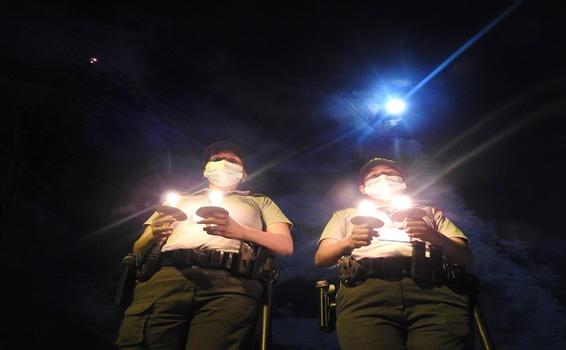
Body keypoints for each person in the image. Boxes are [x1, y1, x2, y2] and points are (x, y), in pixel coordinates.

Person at [116, 141, 293, 350]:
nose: (224, 163)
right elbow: (138, 248)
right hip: (166, 278)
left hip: (230, 285)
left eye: (232, 160)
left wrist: (241, 231)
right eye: (216, 159)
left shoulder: (260, 201)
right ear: (205, 170)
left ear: (243, 173)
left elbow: (285, 246)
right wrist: (153, 234)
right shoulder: (179, 200)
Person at [314, 157, 474, 350]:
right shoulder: (346, 215)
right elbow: (321, 258)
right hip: (365, 292)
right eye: (374, 175)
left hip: (434, 291)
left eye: (390, 173)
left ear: (403, 183)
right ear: (363, 188)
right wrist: (348, 241)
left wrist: (430, 234)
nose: (383, 177)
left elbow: (464, 257)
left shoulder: (429, 212)